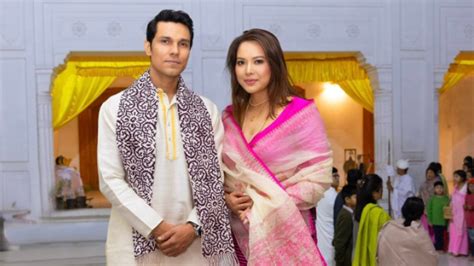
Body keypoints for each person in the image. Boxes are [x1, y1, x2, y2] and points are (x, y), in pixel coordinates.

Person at [97, 10, 236, 265]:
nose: (175, 51)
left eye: (183, 44)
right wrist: (157, 227)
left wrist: (192, 228)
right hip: (132, 245)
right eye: (165, 41)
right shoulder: (115, 108)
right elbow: (110, 180)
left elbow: (214, 179)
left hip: (195, 246)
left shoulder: (206, 110)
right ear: (148, 47)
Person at [222, 28, 332, 265]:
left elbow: (318, 180)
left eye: (258, 61)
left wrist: (261, 204)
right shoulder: (228, 118)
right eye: (241, 62)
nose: (248, 70)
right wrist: (227, 199)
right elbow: (219, 178)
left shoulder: (300, 115)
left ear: (274, 64)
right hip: (241, 235)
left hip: (287, 233)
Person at [377, 197, 438, 266]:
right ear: (421, 213)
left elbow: (380, 253)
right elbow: (432, 258)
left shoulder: (389, 228)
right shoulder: (419, 233)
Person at [353, 174, 391, 266]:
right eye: (381, 188)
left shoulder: (359, 210)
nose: (382, 190)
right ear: (374, 193)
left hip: (360, 257)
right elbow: (388, 239)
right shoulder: (379, 213)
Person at [316, 167, 339, 265]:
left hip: (322, 237)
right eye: (335, 176)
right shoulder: (334, 196)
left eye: (338, 175)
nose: (338, 178)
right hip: (331, 235)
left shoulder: (319, 193)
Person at [332, 185, 357, 266]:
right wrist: (340, 261)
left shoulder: (348, 213)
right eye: (355, 197)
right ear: (347, 199)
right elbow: (340, 242)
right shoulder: (346, 216)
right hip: (345, 260)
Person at [448, 170, 469, 256]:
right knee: (453, 231)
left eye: (457, 176)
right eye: (454, 176)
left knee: (461, 231)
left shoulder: (466, 187)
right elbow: (452, 199)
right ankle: (453, 249)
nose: (454, 178)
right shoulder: (455, 187)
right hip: (454, 212)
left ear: (462, 178)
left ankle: (460, 251)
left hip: (462, 213)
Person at [418, 166, 441, 240]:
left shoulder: (438, 184)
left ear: (435, 174)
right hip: (424, 209)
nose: (428, 174)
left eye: (431, 172)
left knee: (433, 228)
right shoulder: (423, 184)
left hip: (435, 210)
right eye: (427, 172)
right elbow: (419, 195)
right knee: (425, 227)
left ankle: (434, 243)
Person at [427, 181, 450, 251]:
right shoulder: (432, 199)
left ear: (443, 189)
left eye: (441, 187)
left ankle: (444, 248)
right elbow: (429, 210)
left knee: (444, 236)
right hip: (435, 222)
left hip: (444, 221)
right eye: (437, 188)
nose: (439, 189)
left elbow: (449, 210)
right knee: (437, 236)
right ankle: (438, 248)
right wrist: (430, 220)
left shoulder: (446, 198)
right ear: (434, 189)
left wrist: (448, 222)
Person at [464, 178, 474, 260]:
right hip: (469, 221)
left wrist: (472, 207)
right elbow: (465, 205)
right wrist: (465, 206)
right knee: (471, 239)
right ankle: (472, 254)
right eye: (470, 186)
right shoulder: (467, 196)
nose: (472, 188)